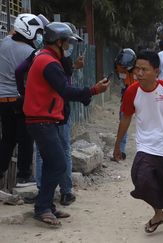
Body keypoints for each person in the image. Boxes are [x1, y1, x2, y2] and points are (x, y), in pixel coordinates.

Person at [23, 22, 110, 227]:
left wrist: (89, 92)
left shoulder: (47, 59)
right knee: (59, 164)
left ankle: (45, 206)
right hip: (41, 121)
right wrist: (93, 91)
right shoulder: (49, 63)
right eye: (67, 43)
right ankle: (43, 208)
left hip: (43, 120)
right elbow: (66, 90)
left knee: (52, 164)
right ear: (59, 42)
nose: (69, 47)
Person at [113, 50, 163, 233]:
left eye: (144, 69)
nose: (139, 74)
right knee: (140, 179)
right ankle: (158, 213)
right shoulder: (131, 92)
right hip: (146, 144)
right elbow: (125, 118)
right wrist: (118, 144)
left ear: (156, 71)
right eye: (137, 69)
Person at [0, 13, 45, 186]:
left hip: (2, 100)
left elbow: (12, 33)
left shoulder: (4, 43)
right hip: (19, 100)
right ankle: (24, 175)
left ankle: (1, 170)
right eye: (37, 32)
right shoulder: (31, 53)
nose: (39, 36)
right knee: (25, 138)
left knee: (7, 139)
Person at [113, 48, 137, 160]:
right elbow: (120, 77)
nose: (123, 69)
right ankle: (120, 150)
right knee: (123, 123)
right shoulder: (119, 67)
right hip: (127, 96)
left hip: (141, 96)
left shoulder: (138, 69)